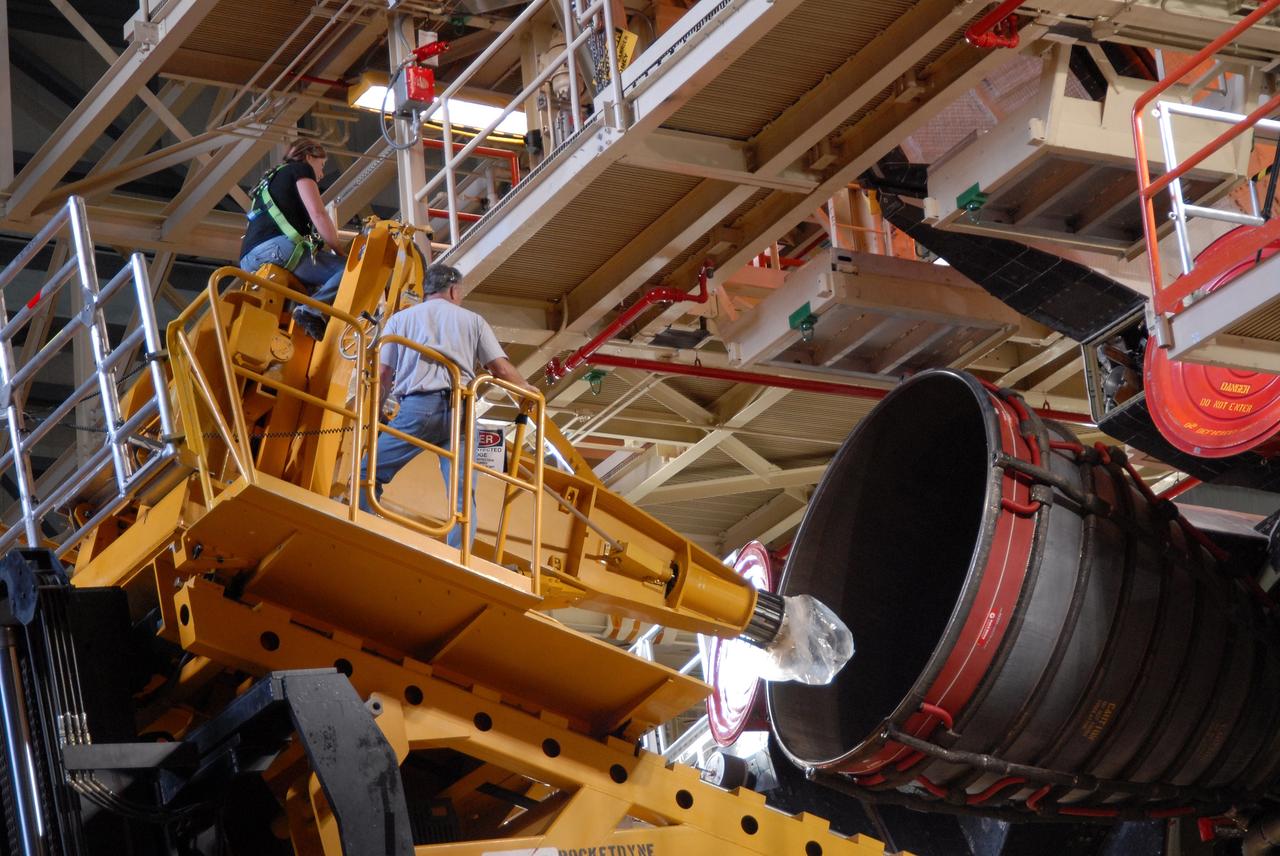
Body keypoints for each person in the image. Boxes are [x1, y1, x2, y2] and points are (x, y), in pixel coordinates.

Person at [361, 263, 538, 548]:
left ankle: (363, 529)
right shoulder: (473, 321)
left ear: (426, 290)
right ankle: (459, 556)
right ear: (454, 290)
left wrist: (374, 418)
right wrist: (525, 391)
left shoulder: (399, 320)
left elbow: (383, 375)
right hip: (463, 413)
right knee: (463, 499)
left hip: (418, 408)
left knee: (365, 474)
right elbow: (501, 370)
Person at [239, 139, 347, 340]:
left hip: (248, 259)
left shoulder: (269, 180)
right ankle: (311, 311)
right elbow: (318, 214)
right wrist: (341, 252)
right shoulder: (301, 170)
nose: (322, 174)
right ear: (308, 157)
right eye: (321, 165)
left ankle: (298, 327)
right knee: (348, 271)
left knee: (308, 289)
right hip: (278, 249)